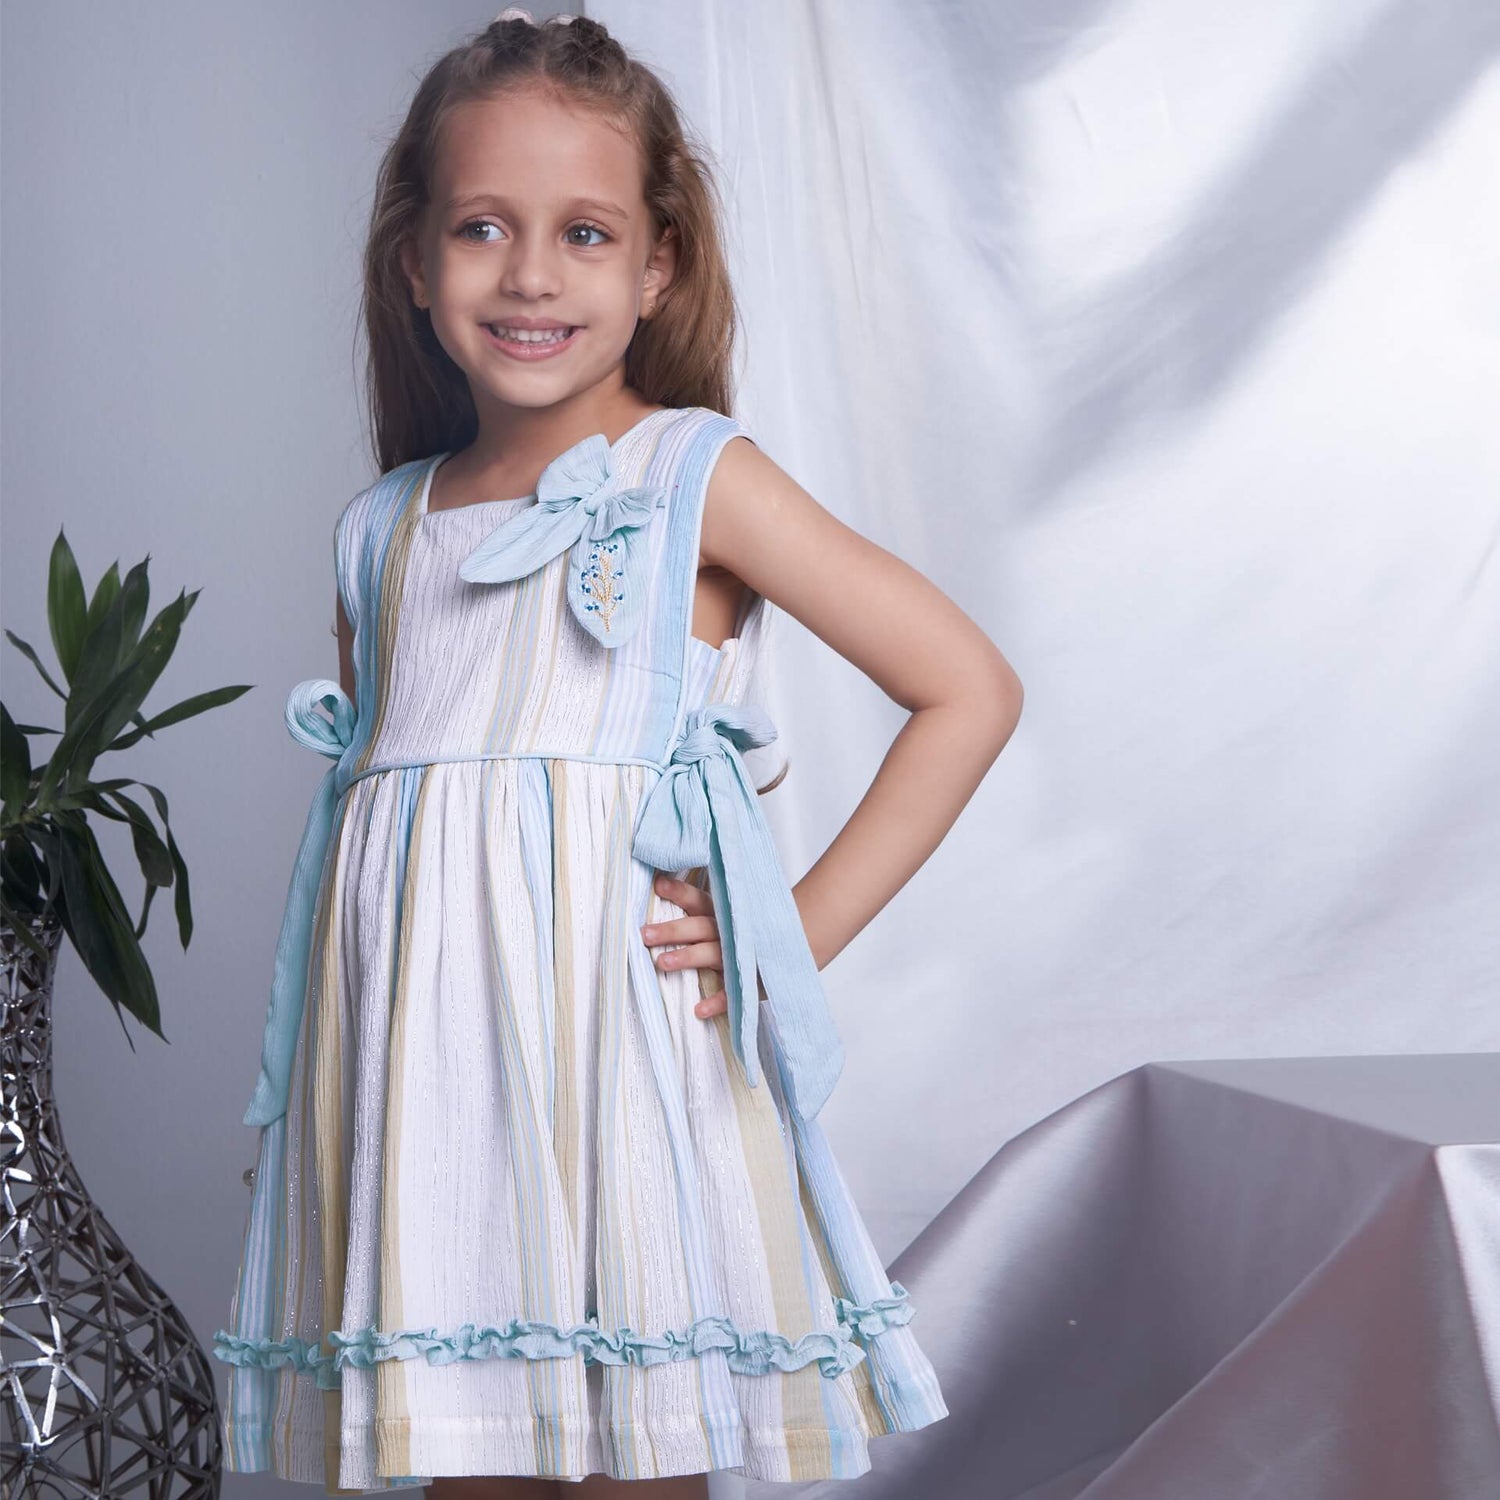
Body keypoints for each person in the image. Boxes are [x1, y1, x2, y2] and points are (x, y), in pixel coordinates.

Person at [211, 9, 1021, 1497]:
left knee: (637, 1467)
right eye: (482, 228)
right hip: (439, 1108)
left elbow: (965, 687)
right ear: (413, 260)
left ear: (656, 265)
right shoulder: (380, 530)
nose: (530, 273)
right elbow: (395, 848)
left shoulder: (692, 476)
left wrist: (785, 938)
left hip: (624, 1080)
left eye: (583, 233)